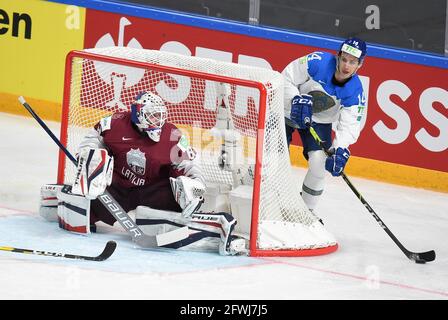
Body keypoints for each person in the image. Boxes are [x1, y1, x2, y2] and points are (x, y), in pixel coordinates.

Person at [39, 91, 244, 255]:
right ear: (138, 114)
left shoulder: (172, 135)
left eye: (160, 115)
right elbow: (91, 140)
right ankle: (56, 199)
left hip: (153, 191)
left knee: (172, 212)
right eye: (152, 115)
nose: (158, 121)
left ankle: (198, 227)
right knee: (78, 213)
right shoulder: (114, 123)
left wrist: (194, 184)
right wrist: (91, 157)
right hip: (116, 189)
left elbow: (189, 164)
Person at [282, 37, 367, 218]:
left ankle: (305, 213)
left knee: (319, 165)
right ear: (338, 56)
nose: (346, 66)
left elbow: (349, 124)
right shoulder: (317, 61)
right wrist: (295, 99)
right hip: (288, 111)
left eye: (352, 62)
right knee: (275, 159)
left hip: (318, 121)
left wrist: (340, 149)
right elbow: (285, 78)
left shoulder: (355, 91)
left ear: (359, 65)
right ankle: (269, 202)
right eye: (344, 59)